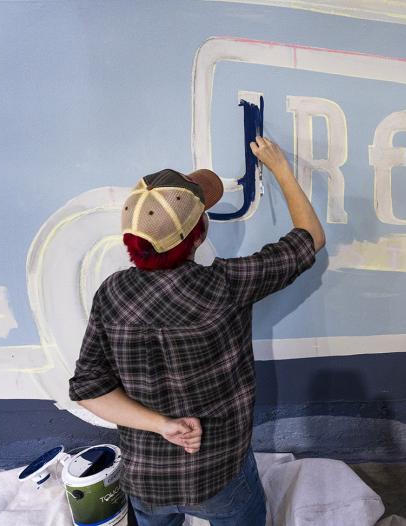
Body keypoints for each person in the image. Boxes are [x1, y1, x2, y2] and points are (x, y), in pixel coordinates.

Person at [68, 136, 326, 526]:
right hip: (218, 475)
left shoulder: (112, 294)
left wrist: (163, 426)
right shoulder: (228, 284)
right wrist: (282, 169)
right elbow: (311, 239)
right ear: (200, 234)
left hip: (146, 480)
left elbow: (88, 388)